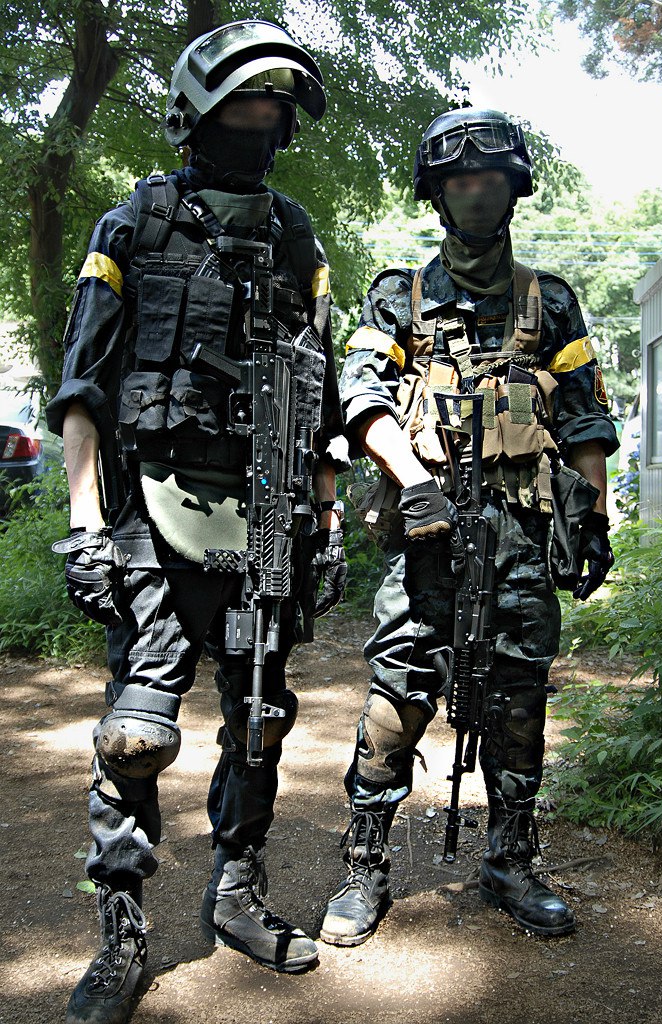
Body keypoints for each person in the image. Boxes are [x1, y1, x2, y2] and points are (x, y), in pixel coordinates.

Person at [46, 20, 349, 1024]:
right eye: (242, 108)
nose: (260, 126)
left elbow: (319, 397)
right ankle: (120, 932)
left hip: (267, 518)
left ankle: (236, 892)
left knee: (260, 718)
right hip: (152, 513)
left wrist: (326, 520)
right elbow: (83, 392)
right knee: (135, 734)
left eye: (274, 112)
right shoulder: (131, 226)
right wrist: (86, 525)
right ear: (195, 115)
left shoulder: (297, 237)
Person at [319, 107, 618, 948]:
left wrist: (593, 520)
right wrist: (416, 487)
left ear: (512, 189)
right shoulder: (399, 297)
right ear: (438, 194)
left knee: (518, 699)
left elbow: (586, 420)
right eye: (459, 181)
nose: (475, 192)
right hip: (426, 531)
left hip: (520, 535)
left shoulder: (549, 302)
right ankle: (365, 862)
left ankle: (510, 858)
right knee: (398, 692)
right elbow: (360, 396)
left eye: (489, 179)